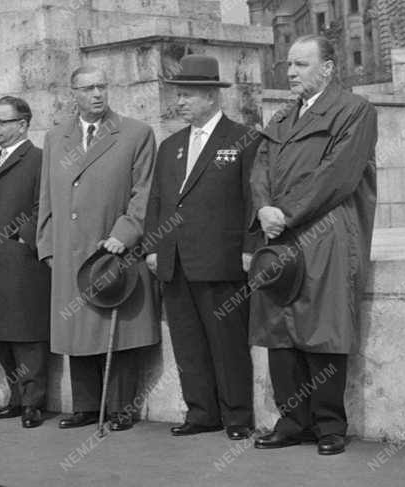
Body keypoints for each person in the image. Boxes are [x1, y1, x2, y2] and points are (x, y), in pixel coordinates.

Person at [250, 35, 377, 457]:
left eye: (301, 65)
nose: (290, 73)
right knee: (280, 326)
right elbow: (260, 168)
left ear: (327, 68)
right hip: (280, 234)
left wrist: (284, 212)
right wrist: (264, 207)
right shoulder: (284, 117)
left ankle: (328, 425)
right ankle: (292, 421)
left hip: (325, 233)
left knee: (322, 327)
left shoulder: (353, 110)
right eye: (288, 65)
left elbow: (336, 175)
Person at [37, 65, 160, 431]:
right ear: (72, 93)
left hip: (112, 249)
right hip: (68, 250)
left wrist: (125, 233)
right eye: (88, 88)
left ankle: (121, 408)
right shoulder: (56, 138)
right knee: (77, 330)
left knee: (115, 328)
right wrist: (47, 246)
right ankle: (87, 406)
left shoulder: (135, 134)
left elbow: (145, 192)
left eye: (102, 86)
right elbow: (46, 195)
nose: (97, 94)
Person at [144, 56, 260, 440]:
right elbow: (158, 201)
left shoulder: (243, 138)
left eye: (188, 94)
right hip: (175, 261)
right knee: (188, 343)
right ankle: (201, 412)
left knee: (227, 344)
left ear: (211, 96)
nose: (180, 101)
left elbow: (252, 200)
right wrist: (153, 246)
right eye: (178, 94)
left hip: (220, 260)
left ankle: (237, 416)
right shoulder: (171, 145)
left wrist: (250, 248)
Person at [0, 96, 50, 429]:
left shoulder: (38, 160)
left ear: (23, 124)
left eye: (1, 122)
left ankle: (33, 402)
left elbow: (44, 205)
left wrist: (22, 237)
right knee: (1, 332)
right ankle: (16, 398)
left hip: (20, 262)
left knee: (26, 334)